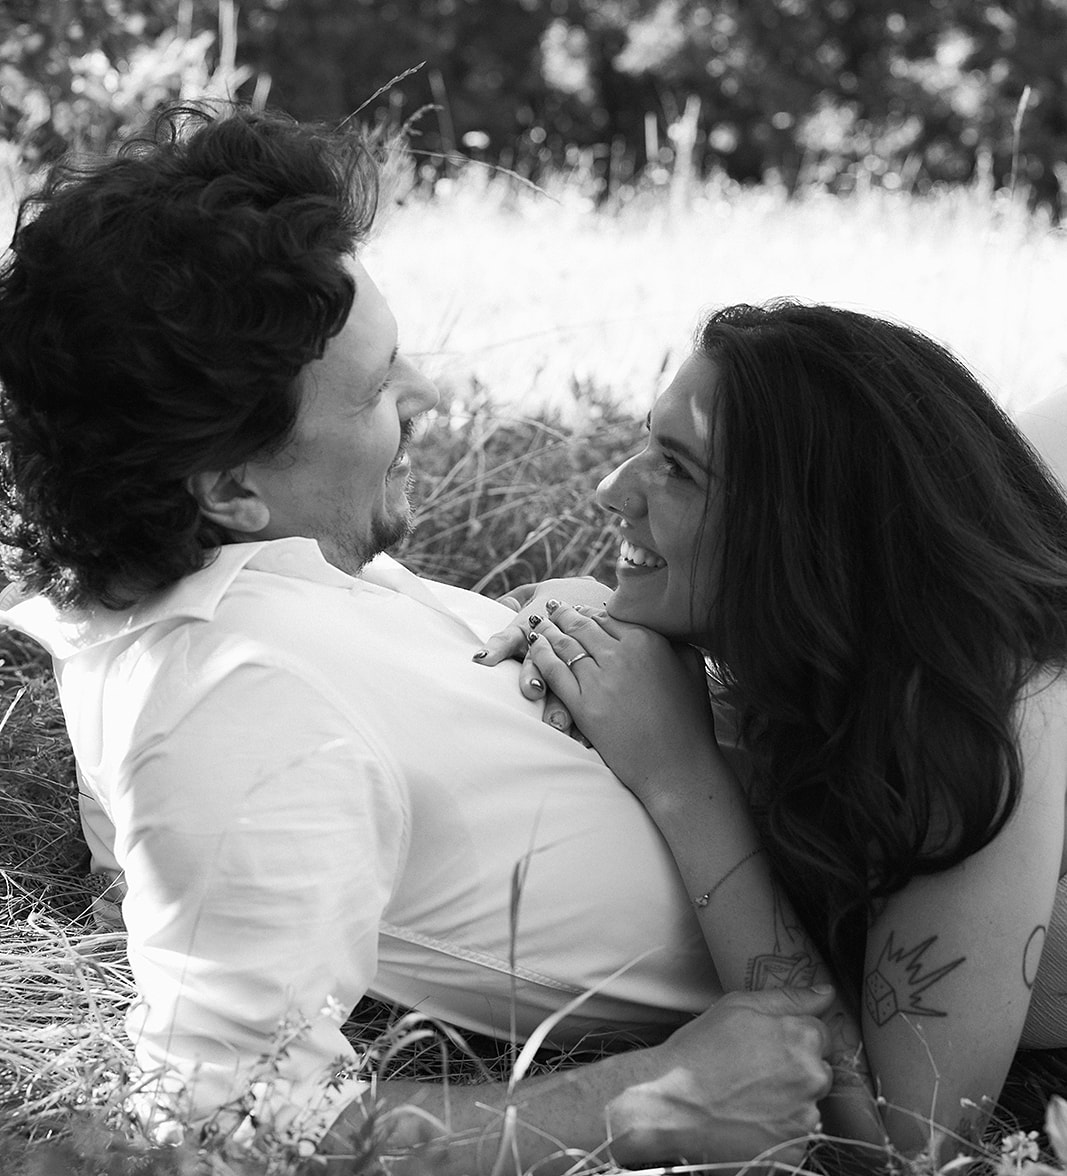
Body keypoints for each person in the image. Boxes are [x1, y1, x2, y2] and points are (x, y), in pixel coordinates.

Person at [0, 104, 834, 1172]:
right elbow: (218, 1127)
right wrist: (642, 1102)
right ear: (230, 485)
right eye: (380, 389)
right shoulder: (228, 700)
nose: (424, 403)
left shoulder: (241, 576)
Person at [481, 302, 1067, 1161]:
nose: (613, 490)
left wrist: (683, 779)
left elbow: (903, 1146)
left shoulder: (990, 707)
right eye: (647, 444)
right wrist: (588, 622)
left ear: (808, 535)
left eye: (677, 470)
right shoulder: (834, 647)